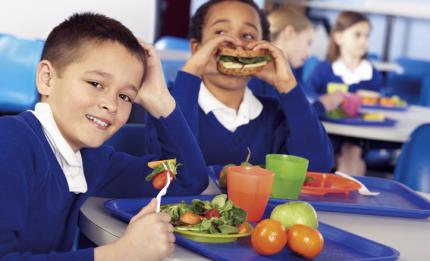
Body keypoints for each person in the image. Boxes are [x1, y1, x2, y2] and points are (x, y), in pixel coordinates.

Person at [0, 13, 209, 260]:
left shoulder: (92, 160)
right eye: (96, 83)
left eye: (125, 96)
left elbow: (186, 177)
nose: (111, 104)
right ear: (47, 78)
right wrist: (121, 254)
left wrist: (161, 101)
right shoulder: (10, 142)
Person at [166, 0, 333, 172]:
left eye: (247, 35)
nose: (236, 43)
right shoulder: (168, 105)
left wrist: (288, 87)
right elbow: (170, 169)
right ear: (197, 48)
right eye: (220, 32)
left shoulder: (273, 115)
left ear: (263, 51)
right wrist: (191, 72)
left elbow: (317, 168)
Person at [305, 11, 383, 176]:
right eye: (357, 35)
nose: (364, 41)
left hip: (359, 134)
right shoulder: (323, 69)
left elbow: (376, 107)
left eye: (367, 36)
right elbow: (308, 97)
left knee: (352, 153)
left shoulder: (371, 72)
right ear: (339, 37)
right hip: (328, 132)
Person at [249, 7, 315, 99]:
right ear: (290, 32)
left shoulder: (293, 71)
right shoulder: (258, 72)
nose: (308, 54)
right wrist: (321, 105)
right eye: (308, 42)